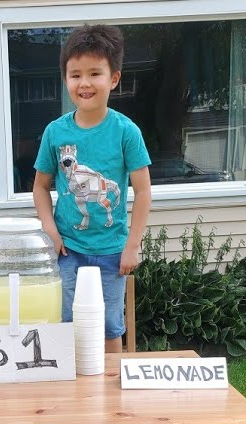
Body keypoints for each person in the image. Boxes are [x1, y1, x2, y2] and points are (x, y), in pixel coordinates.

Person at [32, 24, 151, 353]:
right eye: (75, 75)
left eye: (94, 73)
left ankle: (109, 401)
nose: (84, 83)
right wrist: (50, 230)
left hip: (113, 250)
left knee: (109, 327)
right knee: (67, 324)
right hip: (68, 250)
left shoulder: (127, 132)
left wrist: (133, 245)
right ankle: (72, 398)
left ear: (113, 78)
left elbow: (142, 191)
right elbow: (40, 187)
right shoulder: (55, 133)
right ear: (66, 79)